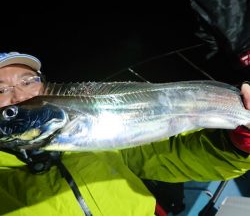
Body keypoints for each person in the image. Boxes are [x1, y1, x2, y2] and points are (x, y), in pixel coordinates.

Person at [1, 52, 250, 216]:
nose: (21, 96)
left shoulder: (103, 143)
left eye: (27, 81)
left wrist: (239, 144)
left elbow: (175, 157)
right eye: (1, 89)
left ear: (45, 85)